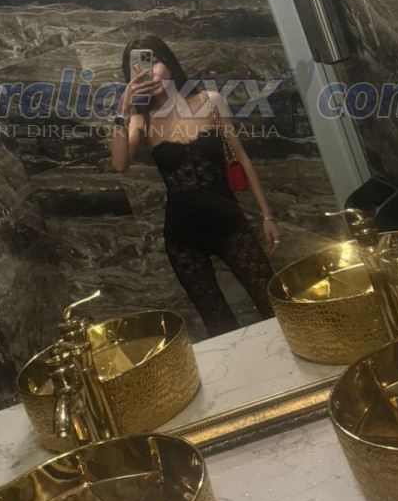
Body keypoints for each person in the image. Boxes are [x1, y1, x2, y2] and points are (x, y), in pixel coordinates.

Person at [110, 34, 280, 336]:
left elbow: (240, 156)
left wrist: (267, 215)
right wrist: (123, 109)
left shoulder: (209, 101)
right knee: (219, 326)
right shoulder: (140, 121)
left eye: (153, 62)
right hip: (182, 237)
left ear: (169, 63)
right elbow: (119, 164)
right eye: (136, 68)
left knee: (273, 302)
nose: (147, 72)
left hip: (229, 222)